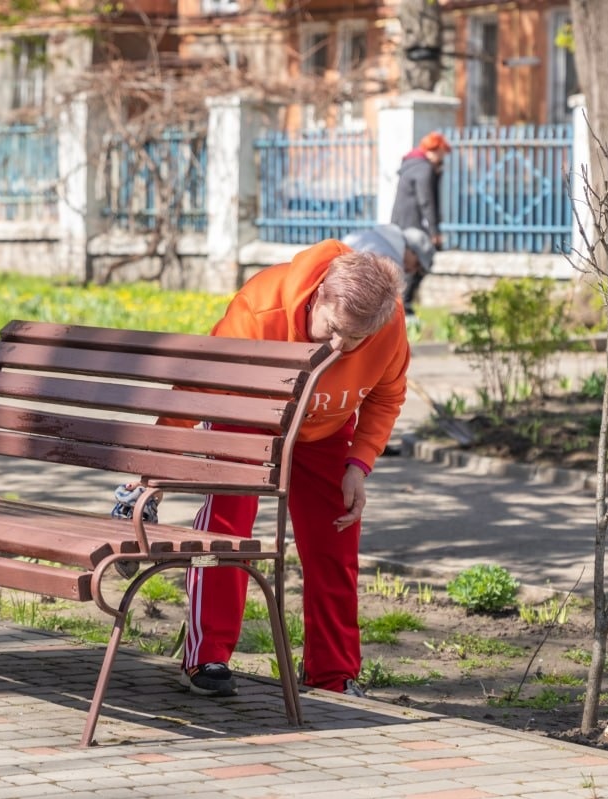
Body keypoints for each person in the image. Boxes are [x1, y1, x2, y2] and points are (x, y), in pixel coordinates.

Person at [168, 239, 411, 699]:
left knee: (336, 540)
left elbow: (385, 396)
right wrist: (159, 453)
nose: (342, 346)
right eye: (336, 329)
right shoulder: (260, 310)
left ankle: (333, 673)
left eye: (357, 339)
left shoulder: (387, 320)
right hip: (247, 419)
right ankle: (206, 657)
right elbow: (200, 381)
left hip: (324, 432)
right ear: (320, 295)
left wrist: (358, 465)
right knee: (227, 530)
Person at [390, 131, 450, 314]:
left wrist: (437, 173)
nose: (442, 157)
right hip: (413, 223)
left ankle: (401, 305)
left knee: (406, 263)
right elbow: (427, 200)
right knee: (420, 261)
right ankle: (404, 306)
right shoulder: (423, 168)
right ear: (435, 150)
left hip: (401, 220)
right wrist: (434, 231)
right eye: (441, 153)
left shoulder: (412, 164)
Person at [341, 222, 436, 291]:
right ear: (410, 250)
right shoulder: (390, 262)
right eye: (417, 264)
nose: (413, 270)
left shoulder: (377, 237)